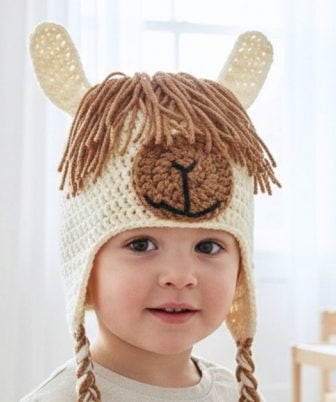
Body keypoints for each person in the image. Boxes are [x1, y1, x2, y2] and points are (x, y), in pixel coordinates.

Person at [23, 22, 280, 402]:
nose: (180, 277)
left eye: (208, 247)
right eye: (141, 244)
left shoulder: (233, 392)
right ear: (86, 263)